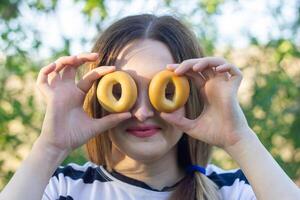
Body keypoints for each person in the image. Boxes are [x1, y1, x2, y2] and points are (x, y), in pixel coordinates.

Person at [0, 14, 299, 200]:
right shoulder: (59, 189)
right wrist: (50, 147)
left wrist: (240, 139)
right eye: (124, 90)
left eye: (163, 89)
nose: (142, 112)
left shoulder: (233, 191)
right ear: (97, 97)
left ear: (190, 96)